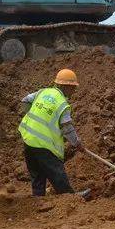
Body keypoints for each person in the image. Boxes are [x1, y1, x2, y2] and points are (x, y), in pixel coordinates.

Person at [19, 68, 89, 199]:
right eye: (73, 87)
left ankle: (38, 200)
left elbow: (25, 100)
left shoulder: (43, 92)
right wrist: (77, 143)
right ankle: (71, 198)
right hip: (43, 143)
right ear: (65, 86)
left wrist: (31, 115)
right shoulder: (62, 104)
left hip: (28, 138)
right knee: (57, 172)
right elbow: (67, 128)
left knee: (37, 174)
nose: (74, 91)